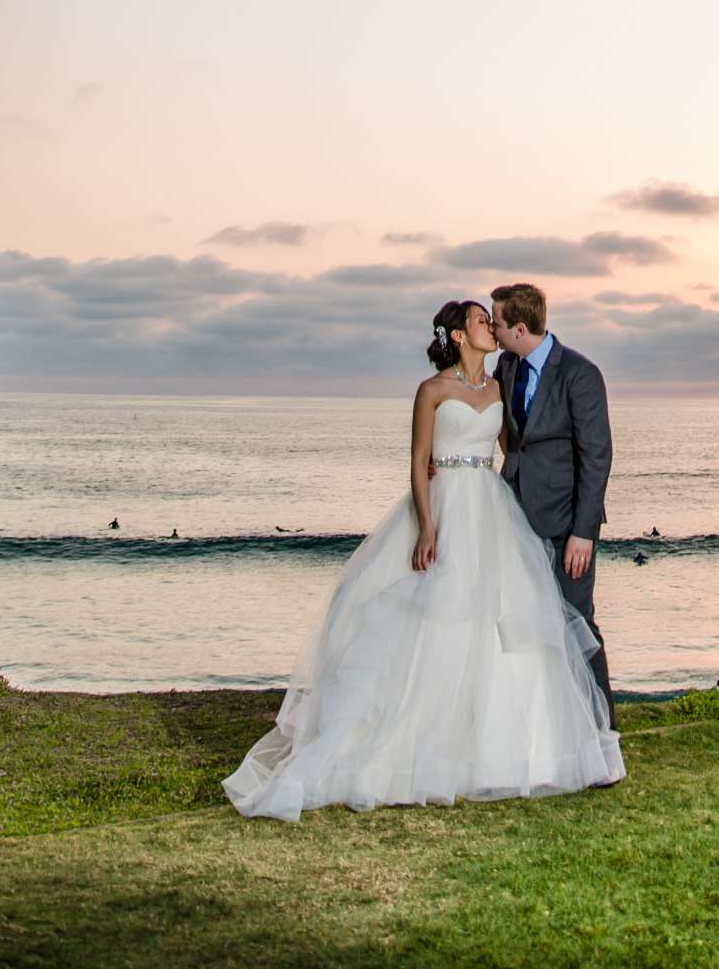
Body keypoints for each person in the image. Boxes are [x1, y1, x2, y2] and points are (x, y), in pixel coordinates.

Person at [223, 299, 622, 817]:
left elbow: (514, 446)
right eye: (481, 321)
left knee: (503, 623)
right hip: (447, 509)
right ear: (458, 335)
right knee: (437, 617)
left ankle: (525, 747)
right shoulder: (432, 390)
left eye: (492, 320)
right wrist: (428, 521)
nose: (490, 328)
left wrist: (567, 507)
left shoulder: (502, 380)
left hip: (494, 511)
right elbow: (417, 459)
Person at [490, 282, 616, 728]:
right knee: (525, 621)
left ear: (519, 327)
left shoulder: (580, 374)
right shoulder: (506, 365)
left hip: (567, 525)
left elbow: (597, 455)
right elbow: (507, 435)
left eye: (497, 322)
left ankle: (602, 729)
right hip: (516, 518)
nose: (492, 328)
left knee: (576, 622)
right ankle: (546, 726)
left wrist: (583, 532)